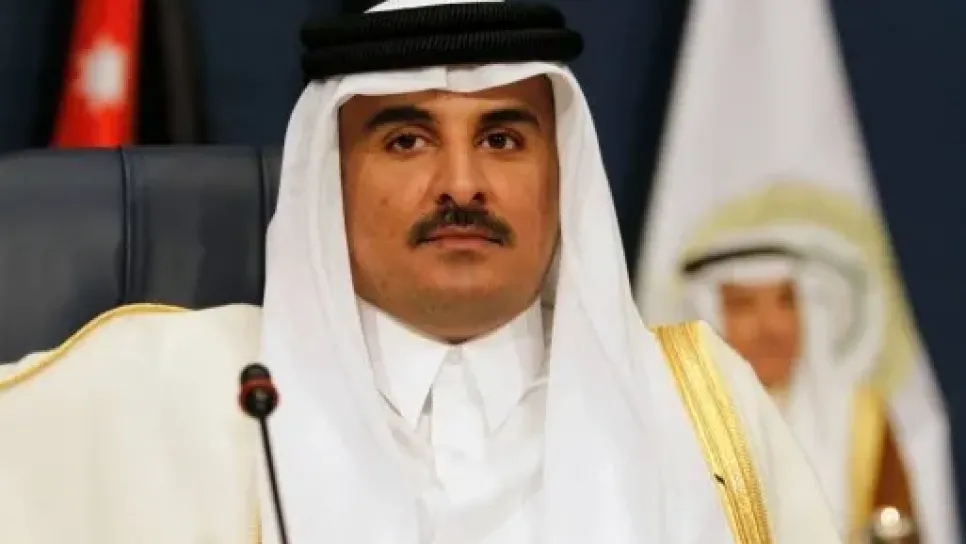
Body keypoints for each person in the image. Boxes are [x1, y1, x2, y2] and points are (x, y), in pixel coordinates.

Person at [0, 1, 840, 542]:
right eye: (406, 140)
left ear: (563, 179)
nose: (462, 184)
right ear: (329, 180)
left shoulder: (696, 402)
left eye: (502, 139)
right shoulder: (154, 387)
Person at [682, 230, 958, 542]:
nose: (771, 327)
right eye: (743, 305)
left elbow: (899, 530)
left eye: (786, 302)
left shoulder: (858, 421)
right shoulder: (679, 420)